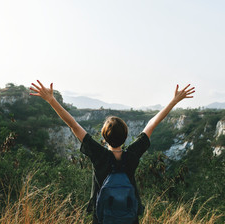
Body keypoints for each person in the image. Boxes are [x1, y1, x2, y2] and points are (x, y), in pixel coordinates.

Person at [30, 80, 195, 224]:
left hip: (102, 218)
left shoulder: (99, 155)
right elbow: (152, 123)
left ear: (103, 136)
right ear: (126, 136)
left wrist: (51, 100)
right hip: (129, 218)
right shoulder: (132, 155)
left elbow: (73, 124)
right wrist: (174, 101)